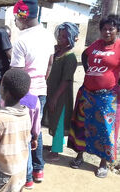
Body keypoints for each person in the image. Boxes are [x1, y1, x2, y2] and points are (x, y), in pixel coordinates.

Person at [67, 15, 120, 178]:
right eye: (104, 29)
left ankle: (103, 163)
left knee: (105, 130)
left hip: (107, 98)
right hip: (87, 94)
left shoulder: (119, 47)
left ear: (117, 30)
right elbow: (84, 56)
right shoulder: (95, 45)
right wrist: (90, 72)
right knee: (83, 127)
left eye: (111, 28)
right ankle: (79, 156)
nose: (107, 32)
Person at [11, 0, 55, 188]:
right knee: (36, 131)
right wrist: (41, 81)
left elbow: (17, 73)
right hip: (41, 90)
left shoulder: (21, 40)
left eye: (15, 17)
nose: (15, 21)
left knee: (24, 135)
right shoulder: (48, 35)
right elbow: (51, 63)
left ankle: (27, 177)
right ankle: (39, 169)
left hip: (25, 94)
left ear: (23, 17)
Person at [42, 22, 79, 161]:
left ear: (71, 38)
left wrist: (55, 98)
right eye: (59, 35)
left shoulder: (70, 57)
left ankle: (56, 151)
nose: (60, 39)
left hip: (61, 95)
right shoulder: (58, 53)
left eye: (64, 37)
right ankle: (54, 146)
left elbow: (66, 80)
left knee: (59, 120)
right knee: (53, 118)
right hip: (52, 91)